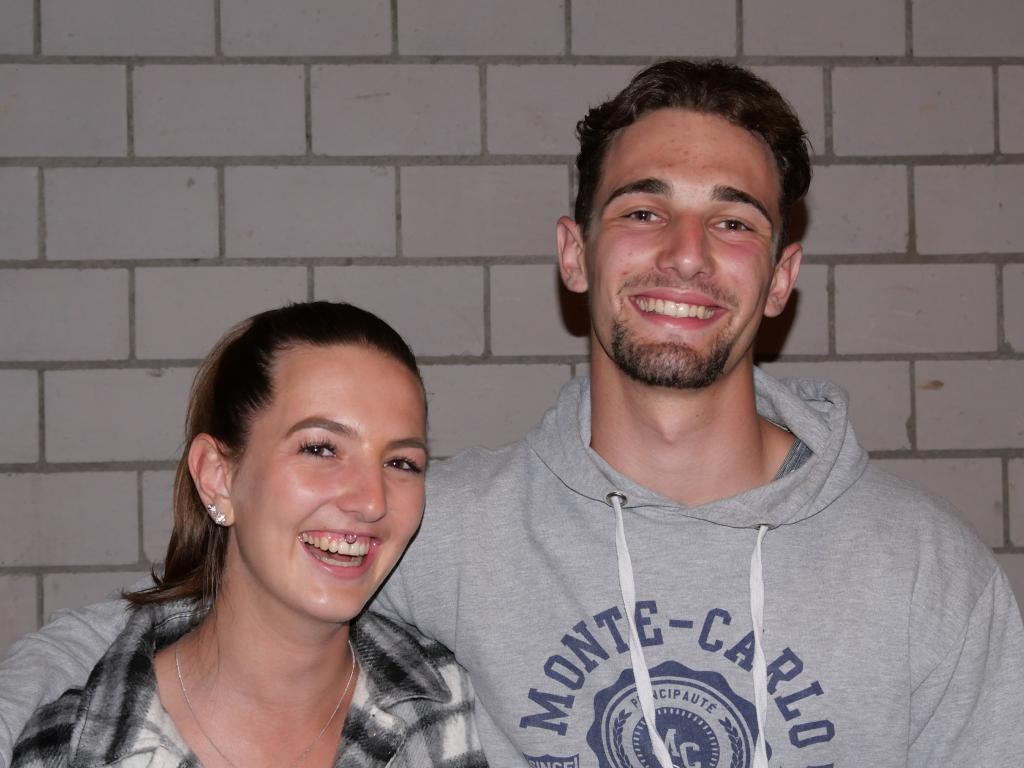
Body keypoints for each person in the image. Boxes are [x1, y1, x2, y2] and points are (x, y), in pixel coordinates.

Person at [2, 60, 1023, 768]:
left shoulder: (923, 573)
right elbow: (174, 627)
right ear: (575, 254)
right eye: (643, 210)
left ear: (782, 276)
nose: (685, 254)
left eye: (733, 221)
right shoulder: (434, 526)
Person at [5, 302, 486, 768]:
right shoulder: (68, 750)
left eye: (401, 462)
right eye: (321, 449)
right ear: (218, 477)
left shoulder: (466, 711)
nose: (372, 501)